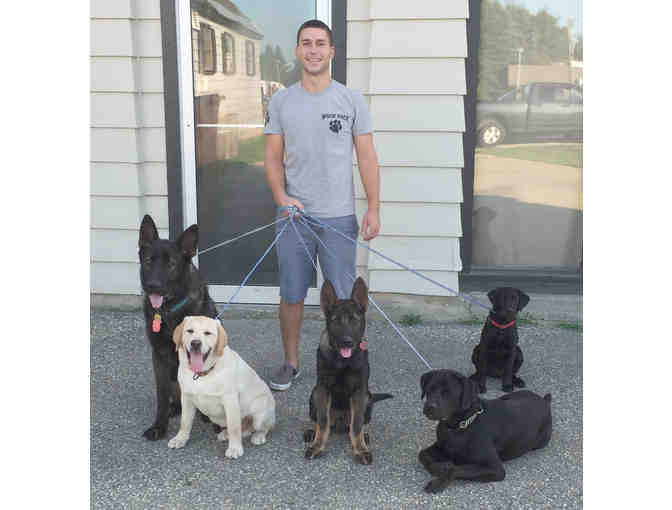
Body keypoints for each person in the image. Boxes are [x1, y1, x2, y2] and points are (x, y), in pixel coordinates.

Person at [263, 19, 381, 391]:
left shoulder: (350, 100)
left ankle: (347, 366)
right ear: (298, 51)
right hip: (294, 217)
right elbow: (271, 158)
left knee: (345, 301)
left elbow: (366, 156)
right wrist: (282, 198)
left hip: (339, 217)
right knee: (293, 293)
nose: (313, 50)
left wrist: (373, 207)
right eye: (306, 43)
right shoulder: (282, 100)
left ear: (331, 51)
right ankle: (291, 362)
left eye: (320, 43)